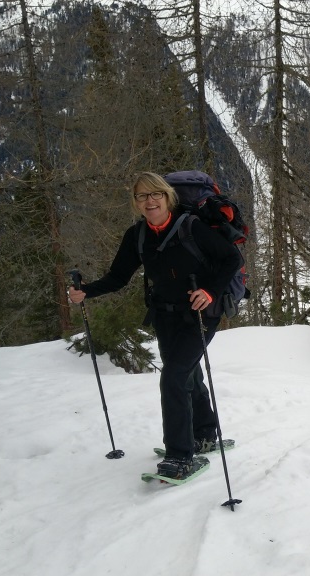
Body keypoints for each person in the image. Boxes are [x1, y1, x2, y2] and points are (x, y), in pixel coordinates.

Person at [68, 172, 241, 479]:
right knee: (186, 372)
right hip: (164, 315)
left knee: (174, 377)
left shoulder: (191, 227)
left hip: (201, 313)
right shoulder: (137, 235)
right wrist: (87, 292)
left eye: (155, 194)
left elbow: (231, 259)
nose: (149, 201)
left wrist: (210, 291)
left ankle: (180, 456)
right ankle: (204, 433)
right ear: (136, 202)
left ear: (167, 196)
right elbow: (118, 277)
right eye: (142, 196)